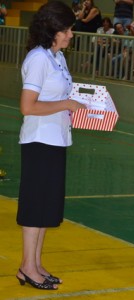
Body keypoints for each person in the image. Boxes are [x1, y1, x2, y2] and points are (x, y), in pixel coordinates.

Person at [15, 1, 86, 290]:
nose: (70, 35)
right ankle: (26, 266)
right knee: (35, 207)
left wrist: (80, 106)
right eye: (67, 29)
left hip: (56, 139)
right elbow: (27, 107)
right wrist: (66, 103)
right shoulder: (38, 59)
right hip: (39, 141)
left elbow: (58, 100)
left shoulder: (57, 57)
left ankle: (36, 263)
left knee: (45, 207)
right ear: (53, 30)